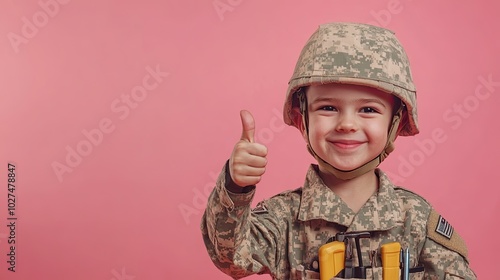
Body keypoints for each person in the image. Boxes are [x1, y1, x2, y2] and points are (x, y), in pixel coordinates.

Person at [200, 22, 477, 280]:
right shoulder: (282, 217)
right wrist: (235, 188)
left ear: (396, 122)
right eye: (328, 108)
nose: (346, 124)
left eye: (368, 110)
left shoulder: (415, 218)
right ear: (301, 119)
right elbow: (231, 257)